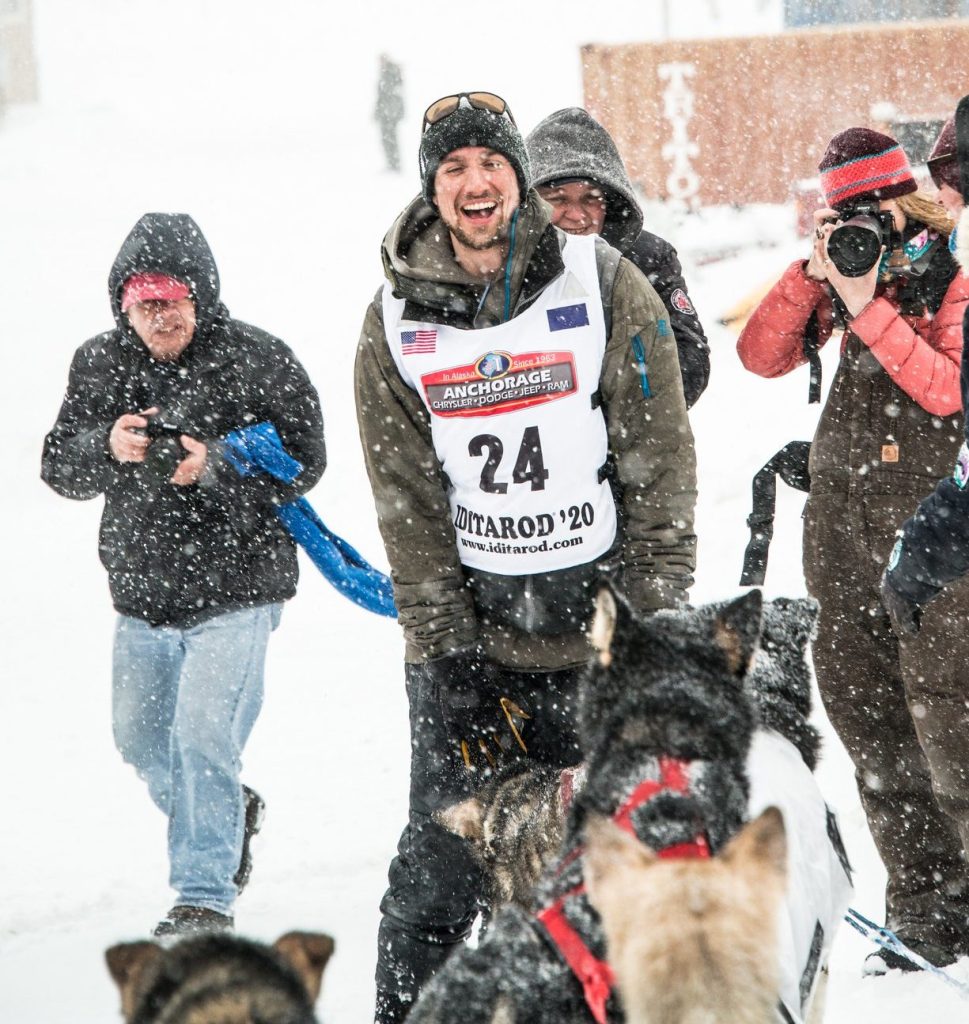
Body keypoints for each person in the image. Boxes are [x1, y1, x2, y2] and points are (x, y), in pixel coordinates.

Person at [354, 91, 697, 1022]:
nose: (476, 183)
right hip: (480, 652)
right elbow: (408, 509)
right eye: (454, 167)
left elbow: (659, 462)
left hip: (597, 642)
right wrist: (444, 653)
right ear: (432, 187)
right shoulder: (393, 322)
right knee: (436, 879)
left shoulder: (601, 278)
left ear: (518, 178)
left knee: (627, 873)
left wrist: (649, 619)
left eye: (491, 164)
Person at [42, 212, 326, 937]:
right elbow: (58, 467)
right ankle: (231, 811)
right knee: (140, 742)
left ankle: (204, 899)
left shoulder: (257, 358)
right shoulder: (98, 364)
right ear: (124, 306)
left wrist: (221, 465)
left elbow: (307, 457)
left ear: (200, 297)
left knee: (203, 738)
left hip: (239, 590)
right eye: (146, 302)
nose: (160, 315)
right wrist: (106, 445)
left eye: (173, 299)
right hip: (140, 596)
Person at [737, 127, 969, 975]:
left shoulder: (952, 269)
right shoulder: (837, 269)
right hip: (839, 529)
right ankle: (924, 915)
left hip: (938, 530)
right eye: (845, 214)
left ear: (906, 198)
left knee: (951, 719)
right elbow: (758, 356)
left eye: (875, 211)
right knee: (870, 725)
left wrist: (870, 303)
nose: (862, 226)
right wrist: (816, 279)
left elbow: (946, 391)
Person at [526, 106, 710, 407]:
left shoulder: (649, 258)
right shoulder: (509, 266)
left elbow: (690, 362)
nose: (576, 215)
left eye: (590, 199)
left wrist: (604, 400)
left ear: (609, 204)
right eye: (558, 199)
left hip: (632, 442)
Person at [374, 54, 405, 173]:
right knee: (387, 139)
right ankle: (392, 163)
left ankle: (394, 164)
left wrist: (391, 113)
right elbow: (381, 96)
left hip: (390, 114)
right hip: (387, 113)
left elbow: (389, 94)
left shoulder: (391, 73)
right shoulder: (387, 73)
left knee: (390, 139)